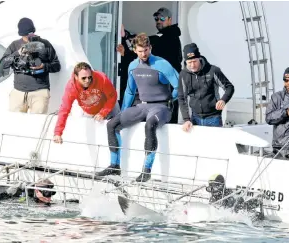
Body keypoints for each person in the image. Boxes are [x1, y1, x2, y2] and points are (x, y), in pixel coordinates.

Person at [97, 33, 179, 182]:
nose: (144, 54)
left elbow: (179, 85)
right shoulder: (133, 66)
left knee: (150, 125)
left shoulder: (162, 64)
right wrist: (123, 112)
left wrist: (170, 100)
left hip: (161, 107)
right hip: (142, 105)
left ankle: (146, 171)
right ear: (135, 50)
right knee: (112, 124)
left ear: (150, 48)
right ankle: (114, 166)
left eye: (146, 50)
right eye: (140, 51)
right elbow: (130, 91)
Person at [0, 17, 61, 114]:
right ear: (21, 34)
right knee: (14, 124)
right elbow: (3, 63)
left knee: (37, 126)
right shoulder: (15, 45)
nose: (28, 38)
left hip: (39, 93)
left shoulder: (45, 44)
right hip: (18, 93)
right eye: (25, 36)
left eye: (30, 34)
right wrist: (18, 53)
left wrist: (43, 66)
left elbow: (57, 66)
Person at [53, 62, 119, 144]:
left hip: (109, 106)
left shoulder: (101, 78)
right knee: (91, 137)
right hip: (89, 111)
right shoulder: (71, 87)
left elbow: (112, 96)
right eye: (83, 78)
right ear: (76, 77)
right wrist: (57, 133)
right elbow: (64, 109)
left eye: (89, 77)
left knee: (117, 129)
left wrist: (103, 112)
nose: (87, 80)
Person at [178, 43, 235, 132]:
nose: (192, 65)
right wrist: (186, 119)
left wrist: (223, 100)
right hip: (195, 118)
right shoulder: (183, 75)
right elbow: (182, 98)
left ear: (199, 59)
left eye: (194, 61)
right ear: (185, 62)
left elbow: (229, 87)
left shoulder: (213, 70)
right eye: (189, 62)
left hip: (214, 118)